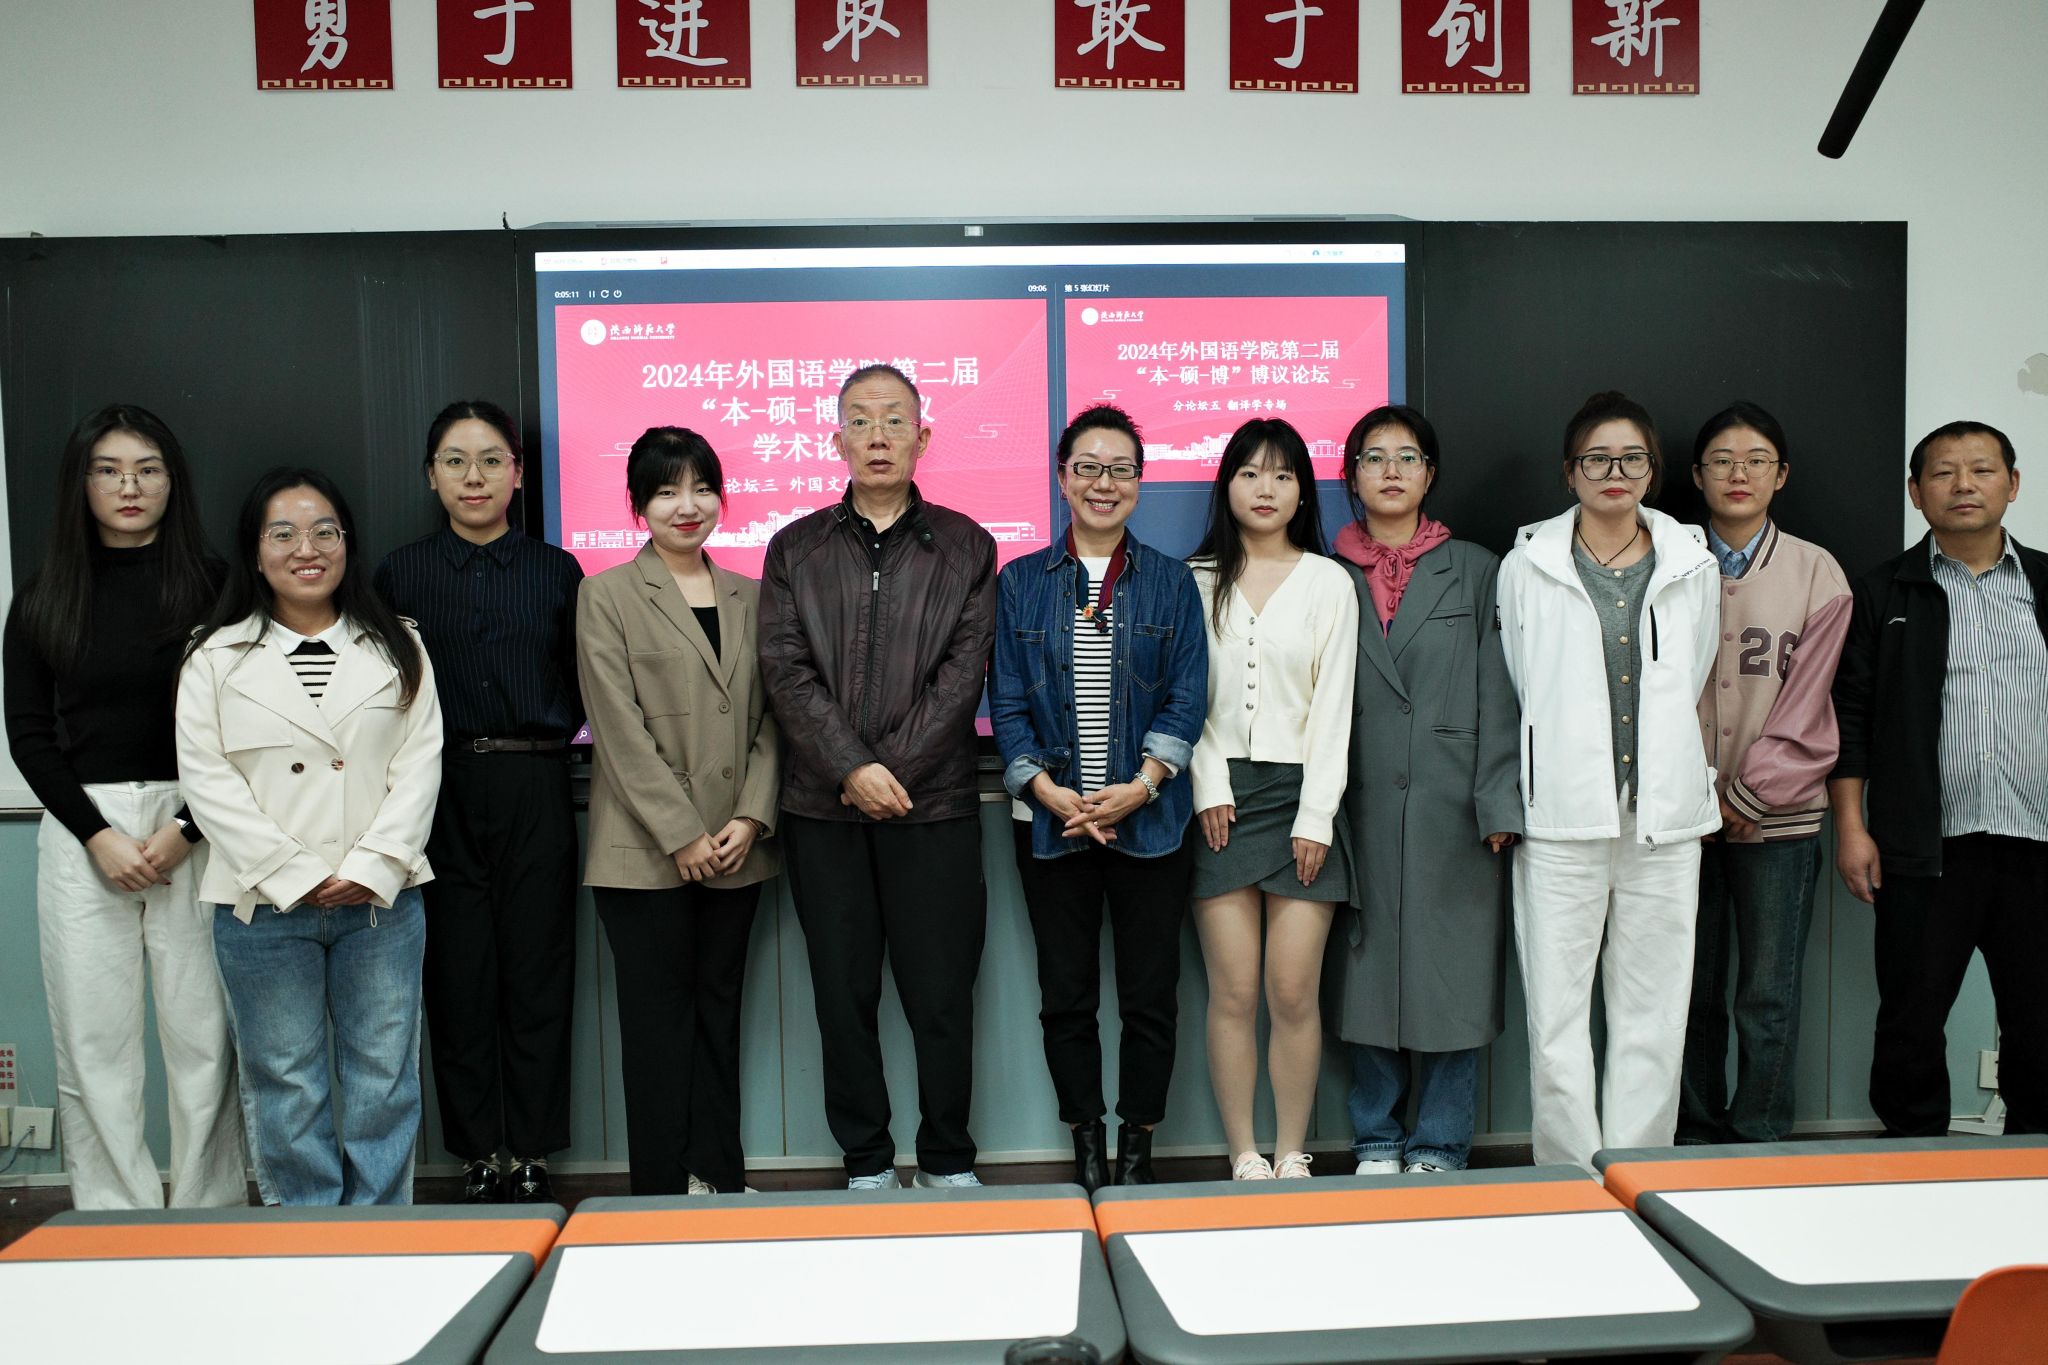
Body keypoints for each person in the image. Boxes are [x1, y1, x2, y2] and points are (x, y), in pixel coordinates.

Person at [757, 363, 997, 1190]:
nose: (878, 435)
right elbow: (786, 671)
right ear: (837, 440)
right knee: (842, 996)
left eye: (895, 420)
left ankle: (948, 1158)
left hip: (933, 808)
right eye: (860, 420)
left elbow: (963, 675)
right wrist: (851, 767)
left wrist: (889, 770)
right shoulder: (794, 548)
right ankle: (865, 1160)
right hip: (823, 811)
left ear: (922, 437)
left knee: (942, 996)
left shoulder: (967, 545)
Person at [176, 468, 442, 1205]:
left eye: (325, 531)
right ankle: (307, 1232)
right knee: (286, 1082)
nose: (307, 549)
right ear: (255, 550)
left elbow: (421, 765)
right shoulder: (214, 656)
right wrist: (294, 873)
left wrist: (372, 865)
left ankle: (380, 1230)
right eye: (284, 533)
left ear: (347, 544)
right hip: (262, 907)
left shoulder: (399, 645)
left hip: (381, 903)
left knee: (383, 1078)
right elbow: (207, 781)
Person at [3, 404, 245, 1210]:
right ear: (81, 483)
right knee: (93, 1037)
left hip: (199, 820)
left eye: (147, 469)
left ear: (173, 481)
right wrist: (98, 835)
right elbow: (29, 734)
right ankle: (116, 1214)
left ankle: (209, 1210)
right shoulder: (44, 595)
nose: (128, 486)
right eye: (108, 470)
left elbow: (247, 722)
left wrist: (187, 827)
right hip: (84, 828)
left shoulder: (216, 585)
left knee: (204, 1034)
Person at [1497, 391, 1720, 1173]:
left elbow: (1695, 671)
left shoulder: (1691, 563)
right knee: (1556, 1018)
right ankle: (1569, 1174)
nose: (1614, 471)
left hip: (1663, 823)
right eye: (1597, 458)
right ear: (1571, 471)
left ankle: (1638, 1171)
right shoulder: (1527, 564)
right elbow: (1521, 681)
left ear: (1652, 470)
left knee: (1654, 1016)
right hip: (1562, 819)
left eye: (1631, 458)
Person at [990, 405, 1207, 1192]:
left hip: (1151, 822)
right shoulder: (1020, 582)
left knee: (1151, 998)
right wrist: (1047, 790)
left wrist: (1141, 786)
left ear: (1139, 483)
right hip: (1051, 824)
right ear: (1062, 477)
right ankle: (1086, 1144)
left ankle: (1138, 1149)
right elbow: (1006, 700)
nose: (1103, 482)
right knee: (1066, 997)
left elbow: (1187, 695)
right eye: (1087, 466)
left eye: (1120, 469)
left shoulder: (1172, 581)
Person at [373, 400, 584, 1205]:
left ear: (517, 474)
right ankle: (475, 1153)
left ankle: (530, 1148)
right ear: (431, 475)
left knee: (539, 972)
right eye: (455, 461)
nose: (474, 476)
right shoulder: (400, 575)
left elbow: (583, 680)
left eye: (492, 459)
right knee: (458, 975)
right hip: (439, 788)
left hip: (537, 782)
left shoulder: (557, 571)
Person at [1830, 420, 2048, 1137]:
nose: (1963, 485)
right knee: (1911, 1022)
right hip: (1924, 847)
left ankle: (2033, 1165)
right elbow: (1851, 715)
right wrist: (1853, 827)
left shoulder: (2046, 583)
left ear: (2013, 485)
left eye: (1982, 470)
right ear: (1916, 492)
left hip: (2037, 842)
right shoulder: (1883, 590)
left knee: (2041, 1022)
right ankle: (1913, 1160)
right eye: (1944, 472)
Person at [577, 428, 780, 1196]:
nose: (686, 505)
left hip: (737, 849)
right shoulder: (606, 595)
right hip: (644, 853)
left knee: (719, 1016)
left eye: (701, 488)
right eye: (665, 491)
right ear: (639, 504)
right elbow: (618, 729)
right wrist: (683, 833)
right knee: (656, 1028)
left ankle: (719, 1178)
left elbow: (775, 719)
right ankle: (659, 1194)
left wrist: (750, 817)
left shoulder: (752, 596)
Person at [1327, 405, 1520, 1176]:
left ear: (1430, 473)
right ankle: (1376, 1137)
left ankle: (1439, 1142)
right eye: (1374, 457)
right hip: (1358, 800)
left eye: (1408, 456)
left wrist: (1498, 799)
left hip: (1455, 804)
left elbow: (1501, 689)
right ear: (1352, 476)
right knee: (1365, 971)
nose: (1392, 470)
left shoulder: (1476, 568)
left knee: (1454, 975)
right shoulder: (1327, 574)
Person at [1187, 418, 1358, 1181]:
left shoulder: (1329, 581)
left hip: (1302, 798)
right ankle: (1243, 1154)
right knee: (1233, 990)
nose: (1266, 488)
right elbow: (1181, 698)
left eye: (1283, 475)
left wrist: (1316, 814)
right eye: (1251, 473)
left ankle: (1291, 1151)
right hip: (1219, 800)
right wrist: (1209, 784)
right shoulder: (1193, 578)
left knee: (1293, 990)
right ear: (1227, 484)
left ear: (1302, 492)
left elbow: (1335, 708)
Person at [1679, 403, 1851, 1146]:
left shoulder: (1816, 571)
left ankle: (1761, 1140)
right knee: (1688, 992)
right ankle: (1690, 1135)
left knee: (1767, 994)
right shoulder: (1669, 559)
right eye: (1721, 459)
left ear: (1781, 475)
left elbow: (1811, 700)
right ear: (1697, 475)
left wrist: (1748, 795)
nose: (1738, 473)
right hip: (1679, 819)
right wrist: (1691, 795)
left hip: (1778, 821)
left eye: (1756, 460)